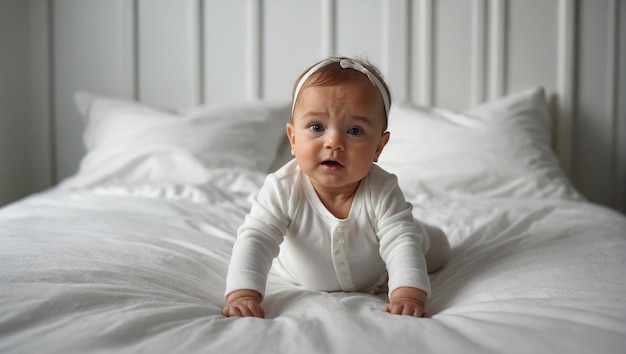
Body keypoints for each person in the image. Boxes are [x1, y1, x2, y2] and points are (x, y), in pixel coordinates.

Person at [222, 56, 450, 319]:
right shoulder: (282, 188)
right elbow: (256, 239)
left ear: (378, 147)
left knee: (430, 245)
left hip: (379, 274)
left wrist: (408, 295)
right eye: (317, 127)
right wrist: (243, 294)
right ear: (293, 139)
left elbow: (400, 243)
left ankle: (420, 229)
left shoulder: (382, 189)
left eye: (354, 130)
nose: (334, 142)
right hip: (297, 272)